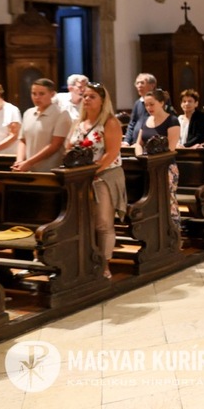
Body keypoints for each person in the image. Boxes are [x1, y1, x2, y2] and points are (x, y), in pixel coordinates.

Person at [66, 82, 126, 279]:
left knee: (103, 222)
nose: (87, 100)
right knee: (83, 221)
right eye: (85, 96)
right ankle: (85, 261)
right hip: (80, 179)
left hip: (104, 176)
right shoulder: (78, 122)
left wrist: (93, 171)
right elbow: (68, 146)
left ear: (102, 101)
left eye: (92, 96)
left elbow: (112, 152)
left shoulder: (110, 122)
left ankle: (104, 263)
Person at [133, 89, 181, 238]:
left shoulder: (172, 120)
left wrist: (154, 160)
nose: (149, 108)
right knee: (151, 201)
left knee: (168, 199)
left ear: (161, 103)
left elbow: (171, 148)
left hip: (166, 167)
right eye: (146, 105)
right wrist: (141, 156)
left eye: (152, 104)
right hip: (147, 167)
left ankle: (174, 234)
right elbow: (138, 143)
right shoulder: (145, 120)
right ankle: (155, 235)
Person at [13, 78, 71, 171]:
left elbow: (55, 145)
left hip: (50, 169)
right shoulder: (28, 113)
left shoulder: (61, 114)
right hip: (28, 168)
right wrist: (19, 161)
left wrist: (29, 162)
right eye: (34, 93)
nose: (37, 97)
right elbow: (23, 140)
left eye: (41, 94)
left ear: (52, 94)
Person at [124, 73, 157, 145]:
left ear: (152, 85)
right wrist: (126, 141)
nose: (139, 85)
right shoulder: (137, 103)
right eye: (137, 83)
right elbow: (132, 124)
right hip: (135, 144)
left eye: (142, 83)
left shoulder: (158, 102)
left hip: (151, 144)